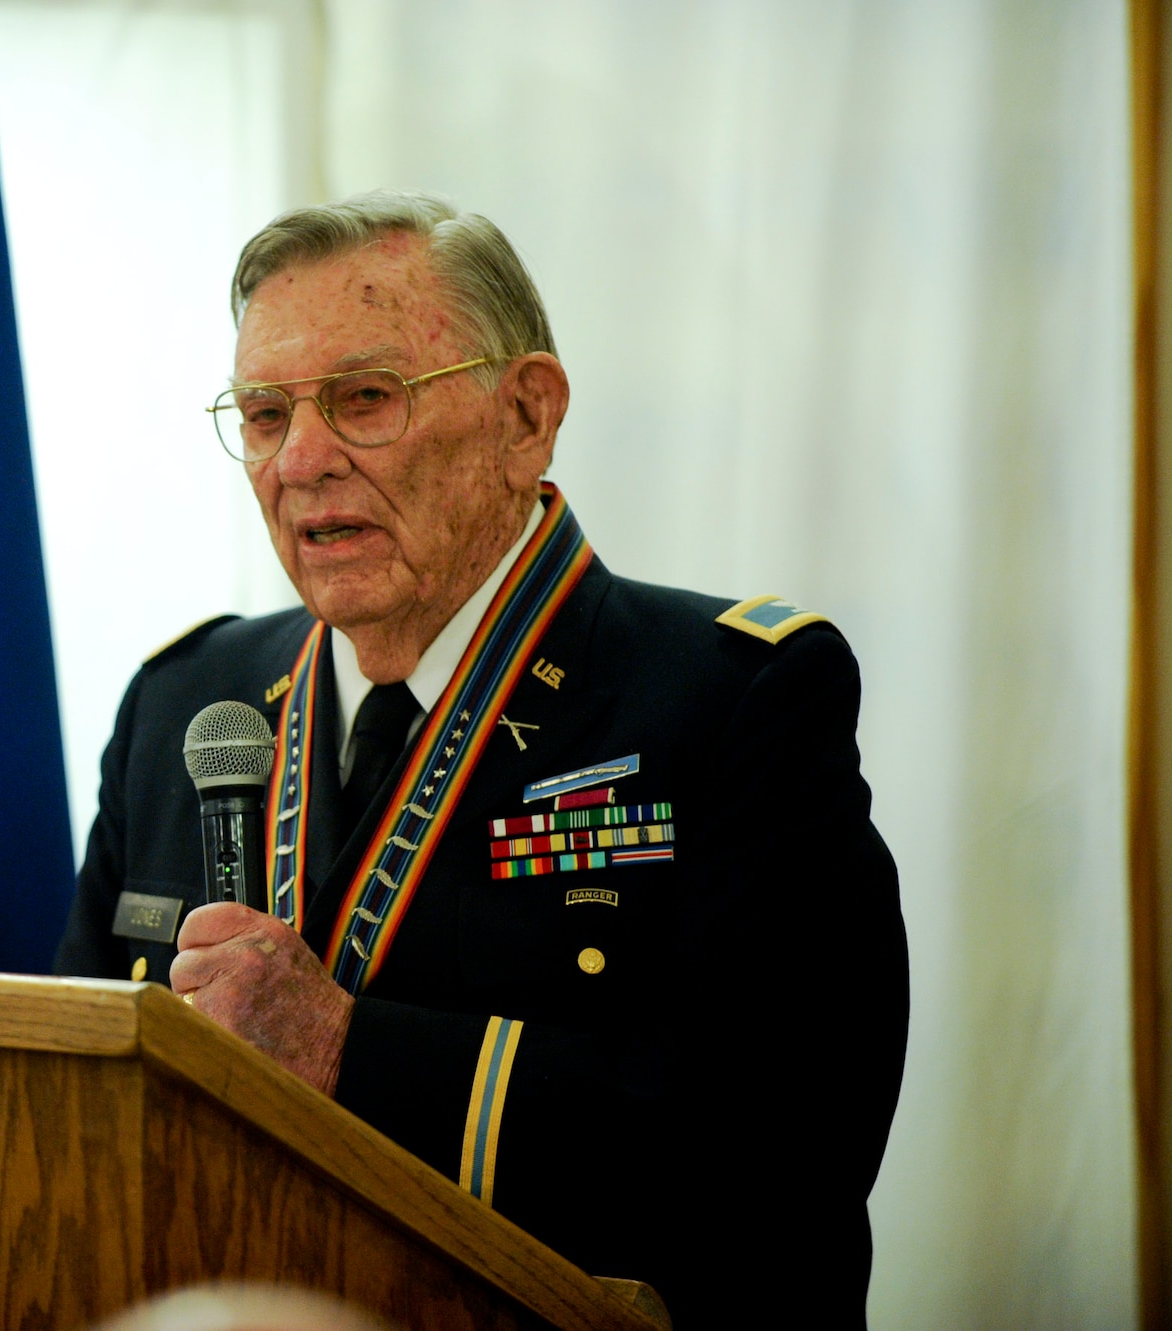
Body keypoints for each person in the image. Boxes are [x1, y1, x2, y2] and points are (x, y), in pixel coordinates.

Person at [54, 190, 908, 1327]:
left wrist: (349, 1049)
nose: (300, 459)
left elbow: (776, 1154)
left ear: (524, 415)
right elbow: (68, 1094)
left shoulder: (732, 699)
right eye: (262, 414)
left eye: (362, 400)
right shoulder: (184, 705)